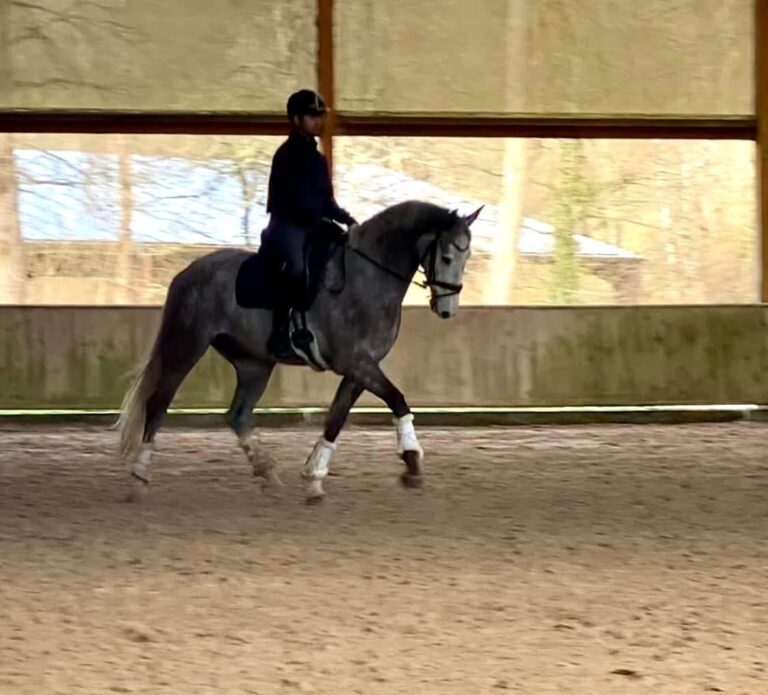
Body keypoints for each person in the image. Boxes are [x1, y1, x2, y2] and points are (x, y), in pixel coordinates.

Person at [261, 89, 357, 358]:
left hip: (313, 225)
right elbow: (292, 200)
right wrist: (318, 219)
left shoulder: (318, 159)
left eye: (319, 117)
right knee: (295, 267)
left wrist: (348, 221)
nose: (317, 121)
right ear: (296, 119)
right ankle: (280, 331)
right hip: (287, 225)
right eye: (311, 116)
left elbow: (327, 201)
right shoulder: (286, 155)